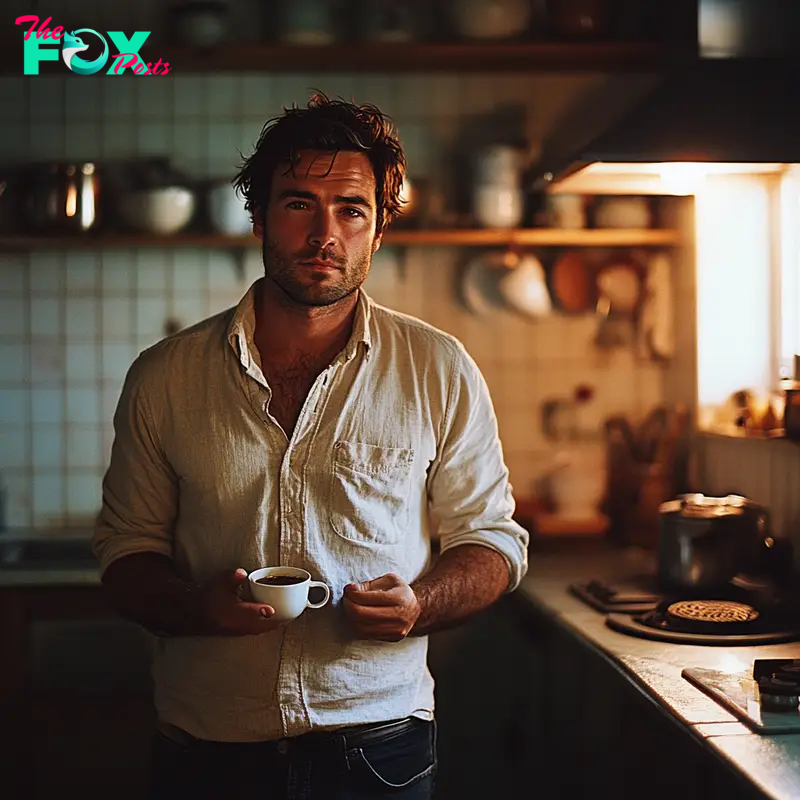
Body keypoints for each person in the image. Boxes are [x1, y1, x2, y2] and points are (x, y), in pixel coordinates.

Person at [92, 93, 529, 800]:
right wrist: (196, 608)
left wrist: (420, 601)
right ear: (259, 216)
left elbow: (493, 541)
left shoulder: (437, 368)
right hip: (210, 744)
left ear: (379, 229)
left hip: (380, 745)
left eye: (351, 209)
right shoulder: (165, 375)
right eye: (299, 204)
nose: (324, 233)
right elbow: (124, 550)